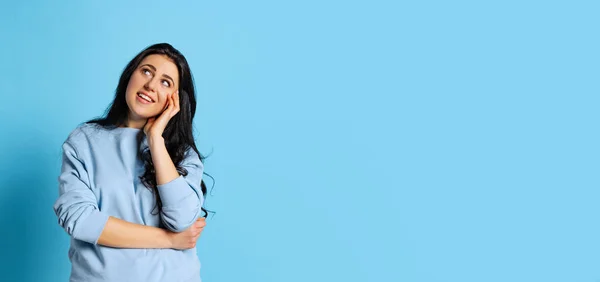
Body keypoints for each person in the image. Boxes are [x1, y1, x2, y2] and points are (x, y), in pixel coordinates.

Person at [53, 43, 209, 282]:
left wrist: (155, 140)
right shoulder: (84, 140)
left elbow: (181, 220)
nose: (150, 85)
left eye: (166, 82)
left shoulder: (183, 153)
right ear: (130, 74)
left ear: (175, 100)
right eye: (146, 71)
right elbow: (80, 220)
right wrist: (168, 240)